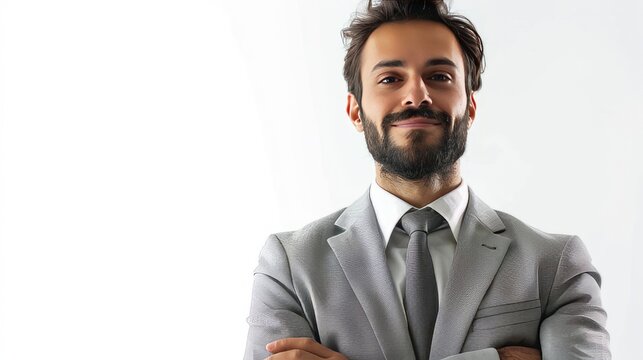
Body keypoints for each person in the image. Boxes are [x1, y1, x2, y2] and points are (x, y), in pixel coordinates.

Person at [243, 0, 610, 359]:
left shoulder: (555, 264)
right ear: (355, 111)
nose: (416, 95)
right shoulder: (289, 267)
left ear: (470, 107)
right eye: (390, 78)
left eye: (439, 77)